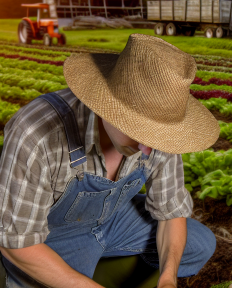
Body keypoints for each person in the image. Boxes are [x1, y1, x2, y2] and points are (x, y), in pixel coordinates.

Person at [0, 33, 220, 288]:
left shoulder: (160, 137)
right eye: (137, 130)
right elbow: (17, 243)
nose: (146, 147)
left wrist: (168, 279)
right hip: (47, 235)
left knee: (198, 243)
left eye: (157, 136)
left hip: (111, 219)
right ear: (106, 104)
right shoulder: (38, 133)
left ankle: (108, 266)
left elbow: (171, 213)